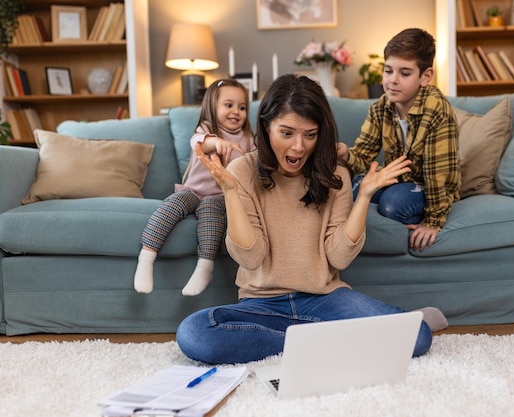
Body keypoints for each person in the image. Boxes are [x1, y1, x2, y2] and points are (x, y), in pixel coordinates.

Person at [176, 74, 445, 365]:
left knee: (418, 336)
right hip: (262, 304)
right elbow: (251, 258)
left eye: (310, 134)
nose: (299, 147)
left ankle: (310, 341)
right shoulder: (241, 170)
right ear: (267, 128)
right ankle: (327, 339)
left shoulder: (336, 174)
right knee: (194, 334)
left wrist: (364, 196)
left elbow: (339, 258)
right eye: (287, 133)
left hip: (325, 298)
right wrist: (229, 190)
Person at [337, 28, 461, 252]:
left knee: (393, 204)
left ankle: (407, 215)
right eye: (388, 71)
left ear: (425, 76)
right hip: (398, 180)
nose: (392, 81)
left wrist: (433, 221)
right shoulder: (380, 108)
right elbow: (363, 156)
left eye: (404, 73)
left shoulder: (436, 111)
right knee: (352, 189)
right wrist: (346, 153)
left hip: (429, 185)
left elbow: (437, 173)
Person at [134, 79, 256, 296]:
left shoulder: (247, 139)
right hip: (193, 191)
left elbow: (257, 162)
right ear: (212, 106)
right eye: (229, 105)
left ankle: (205, 266)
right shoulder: (206, 130)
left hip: (221, 196)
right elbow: (199, 142)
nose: (236, 111)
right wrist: (218, 143)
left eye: (242, 107)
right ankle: (146, 258)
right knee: (172, 204)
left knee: (210, 210)